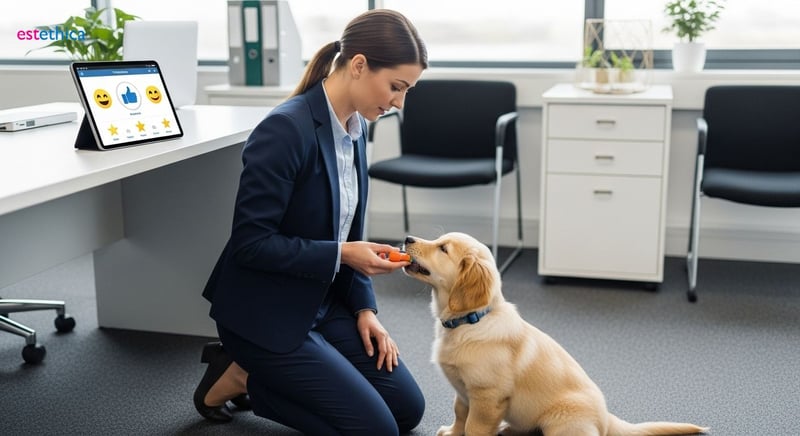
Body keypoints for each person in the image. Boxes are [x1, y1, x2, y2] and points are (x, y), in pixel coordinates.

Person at [192, 9, 428, 436]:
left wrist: (364, 309)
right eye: (396, 87)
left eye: (407, 90)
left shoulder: (355, 128)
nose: (399, 102)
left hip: (321, 299)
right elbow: (251, 244)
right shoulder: (285, 130)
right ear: (358, 65)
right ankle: (243, 375)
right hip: (263, 311)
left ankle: (263, 371)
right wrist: (343, 255)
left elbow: (347, 232)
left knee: (408, 411)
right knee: (377, 431)